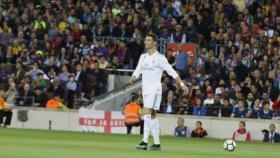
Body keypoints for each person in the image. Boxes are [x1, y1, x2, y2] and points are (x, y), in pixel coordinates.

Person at [130, 33, 188, 150]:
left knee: (146, 113)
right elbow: (138, 70)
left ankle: (144, 142)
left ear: (154, 43)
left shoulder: (160, 58)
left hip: (155, 90)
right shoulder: (143, 57)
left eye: (149, 40)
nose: (146, 42)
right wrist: (133, 76)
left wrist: (182, 85)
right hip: (145, 90)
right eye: (145, 40)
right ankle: (156, 144)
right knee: (152, 116)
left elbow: (172, 72)